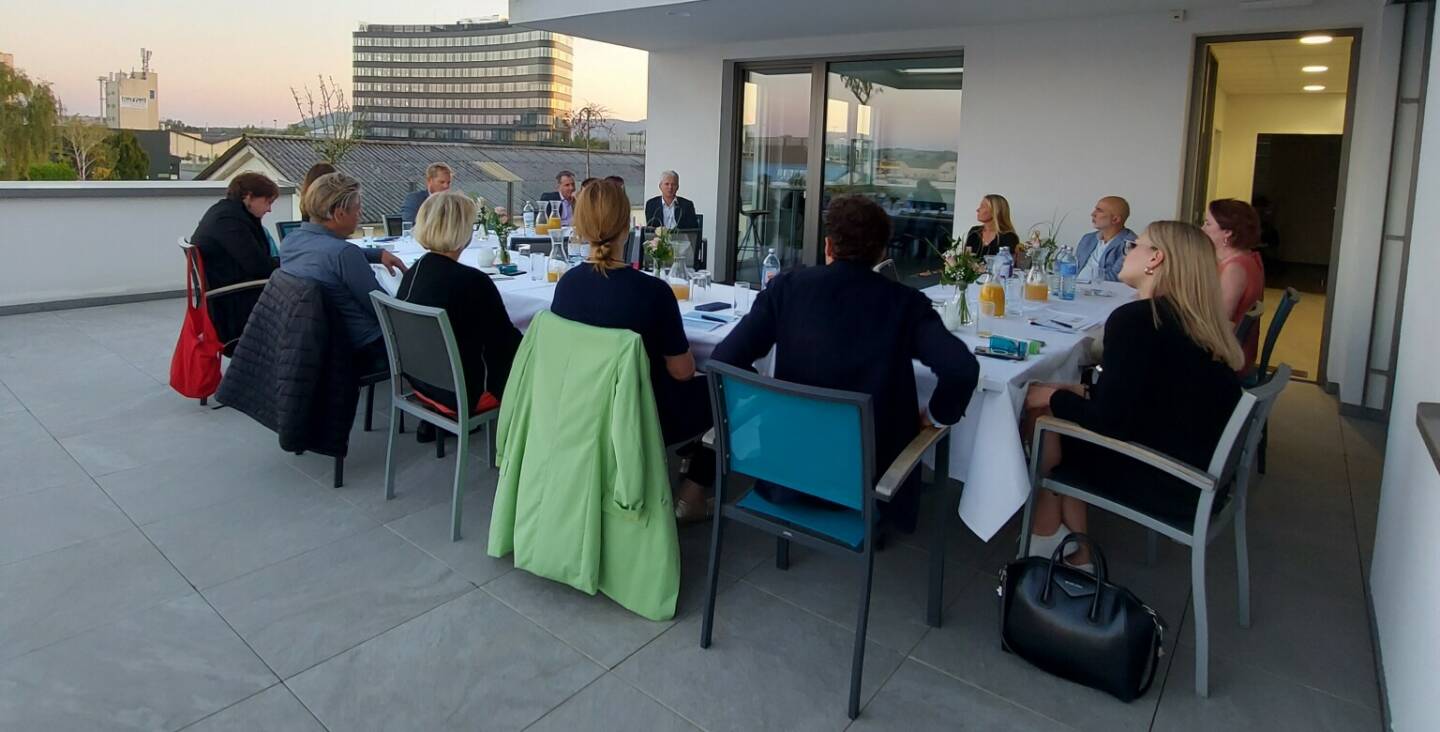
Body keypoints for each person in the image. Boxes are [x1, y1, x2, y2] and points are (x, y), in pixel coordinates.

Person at [713, 194, 980, 533]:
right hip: (872, 481)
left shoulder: (787, 289)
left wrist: (770, 400)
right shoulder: (904, 304)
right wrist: (935, 415)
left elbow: (725, 360)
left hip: (785, 468)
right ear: (882, 252)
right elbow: (962, 368)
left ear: (828, 246)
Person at [1021, 221, 1244, 570]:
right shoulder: (1192, 320)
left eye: (1134, 246)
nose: (1128, 252)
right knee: (1050, 409)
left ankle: (1045, 532)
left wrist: (1051, 399)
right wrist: (1066, 390)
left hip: (1165, 478)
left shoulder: (1136, 321)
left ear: (1156, 259)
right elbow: (1149, 393)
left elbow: (1108, 419)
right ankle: (1073, 548)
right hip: (1192, 467)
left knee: (1043, 420)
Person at [550, 180, 713, 520]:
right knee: (731, 390)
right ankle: (694, 490)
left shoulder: (567, 285)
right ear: (629, 225)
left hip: (586, 409)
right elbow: (682, 371)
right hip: (644, 415)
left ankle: (688, 451)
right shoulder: (652, 292)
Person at [397, 191, 522, 439]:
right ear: (463, 232)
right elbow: (508, 344)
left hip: (421, 382)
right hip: (464, 394)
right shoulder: (472, 281)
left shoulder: (415, 271)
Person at [280, 172, 407, 374]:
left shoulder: (291, 242)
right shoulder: (345, 254)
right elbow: (383, 310)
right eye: (357, 209)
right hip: (363, 347)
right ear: (339, 214)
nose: (360, 214)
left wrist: (375, 254)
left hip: (314, 342)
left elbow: (323, 253)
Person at [190, 172, 281, 343]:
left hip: (227, 299)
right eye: (268, 202)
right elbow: (259, 268)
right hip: (232, 308)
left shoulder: (223, 212)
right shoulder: (229, 221)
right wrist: (292, 261)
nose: (269, 209)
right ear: (249, 197)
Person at [1202, 198, 1265, 367]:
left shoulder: (1234, 269)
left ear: (1227, 232)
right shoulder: (1250, 257)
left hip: (1226, 357)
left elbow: (1219, 322)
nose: (1202, 229)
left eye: (1208, 224)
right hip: (1234, 345)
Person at [1072, 196, 1137, 283]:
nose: (1093, 214)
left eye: (1099, 211)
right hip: (1075, 291)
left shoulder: (1130, 244)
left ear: (1115, 219)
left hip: (1103, 293)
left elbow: (1115, 279)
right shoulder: (1087, 238)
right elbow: (1074, 269)